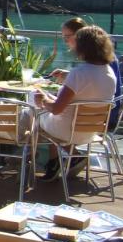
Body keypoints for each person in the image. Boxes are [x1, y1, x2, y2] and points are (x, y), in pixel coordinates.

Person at [36, 25, 117, 180]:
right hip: (92, 131)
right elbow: (79, 102)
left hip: (68, 131)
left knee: (34, 114)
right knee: (42, 113)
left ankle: (35, 162)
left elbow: (57, 109)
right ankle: (65, 159)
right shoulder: (109, 73)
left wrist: (43, 99)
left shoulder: (78, 73)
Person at [51, 17, 123, 133]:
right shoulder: (104, 63)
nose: (65, 41)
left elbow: (57, 109)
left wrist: (45, 100)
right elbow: (97, 81)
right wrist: (70, 75)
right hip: (103, 114)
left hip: (92, 120)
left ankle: (65, 149)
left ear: (79, 37)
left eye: (67, 37)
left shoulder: (86, 69)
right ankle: (67, 149)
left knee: (41, 114)